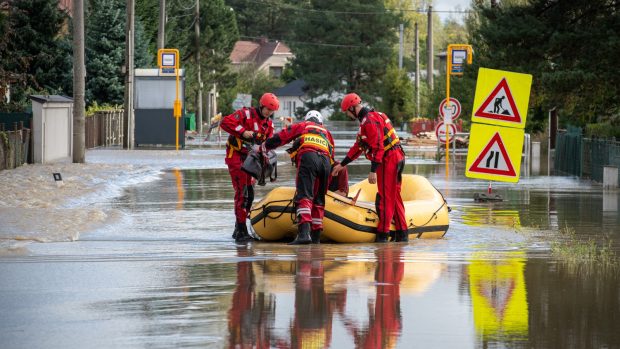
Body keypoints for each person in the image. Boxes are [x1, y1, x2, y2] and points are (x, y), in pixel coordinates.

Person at [332, 93, 408, 243]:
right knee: (395, 196)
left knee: (386, 197)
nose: (348, 115)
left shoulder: (369, 121)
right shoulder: (372, 118)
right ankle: (402, 234)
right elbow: (358, 147)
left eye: (347, 111)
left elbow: (379, 146)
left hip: (389, 159)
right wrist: (342, 165)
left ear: (353, 108)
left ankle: (382, 235)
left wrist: (373, 170)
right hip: (396, 156)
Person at [262, 110, 335, 244]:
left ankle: (303, 234)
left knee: (304, 196)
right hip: (325, 163)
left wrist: (266, 145)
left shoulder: (303, 126)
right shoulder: (327, 133)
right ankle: (316, 237)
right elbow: (332, 155)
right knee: (318, 200)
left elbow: (283, 136)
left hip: (309, 157)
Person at [220, 92, 278, 243]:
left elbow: (269, 145)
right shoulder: (245, 114)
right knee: (243, 193)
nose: (269, 113)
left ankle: (238, 227)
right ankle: (241, 231)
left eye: (271, 112)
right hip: (236, 156)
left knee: (250, 194)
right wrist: (243, 132)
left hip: (252, 161)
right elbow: (225, 122)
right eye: (267, 110)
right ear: (261, 105)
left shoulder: (269, 125)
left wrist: (269, 166)